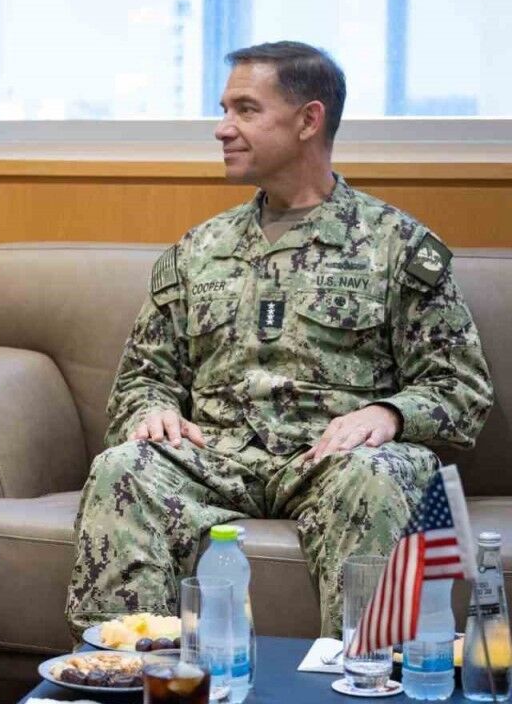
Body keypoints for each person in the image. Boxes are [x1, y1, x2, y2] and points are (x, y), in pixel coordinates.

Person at [65, 41, 493, 638]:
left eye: (245, 110)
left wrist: (389, 413)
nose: (223, 128)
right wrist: (152, 408)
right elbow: (144, 375)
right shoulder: (199, 249)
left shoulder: (395, 246)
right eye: (224, 110)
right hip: (215, 461)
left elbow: (460, 388)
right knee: (122, 467)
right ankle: (127, 668)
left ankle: (363, 670)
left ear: (308, 120)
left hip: (334, 462)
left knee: (382, 473)